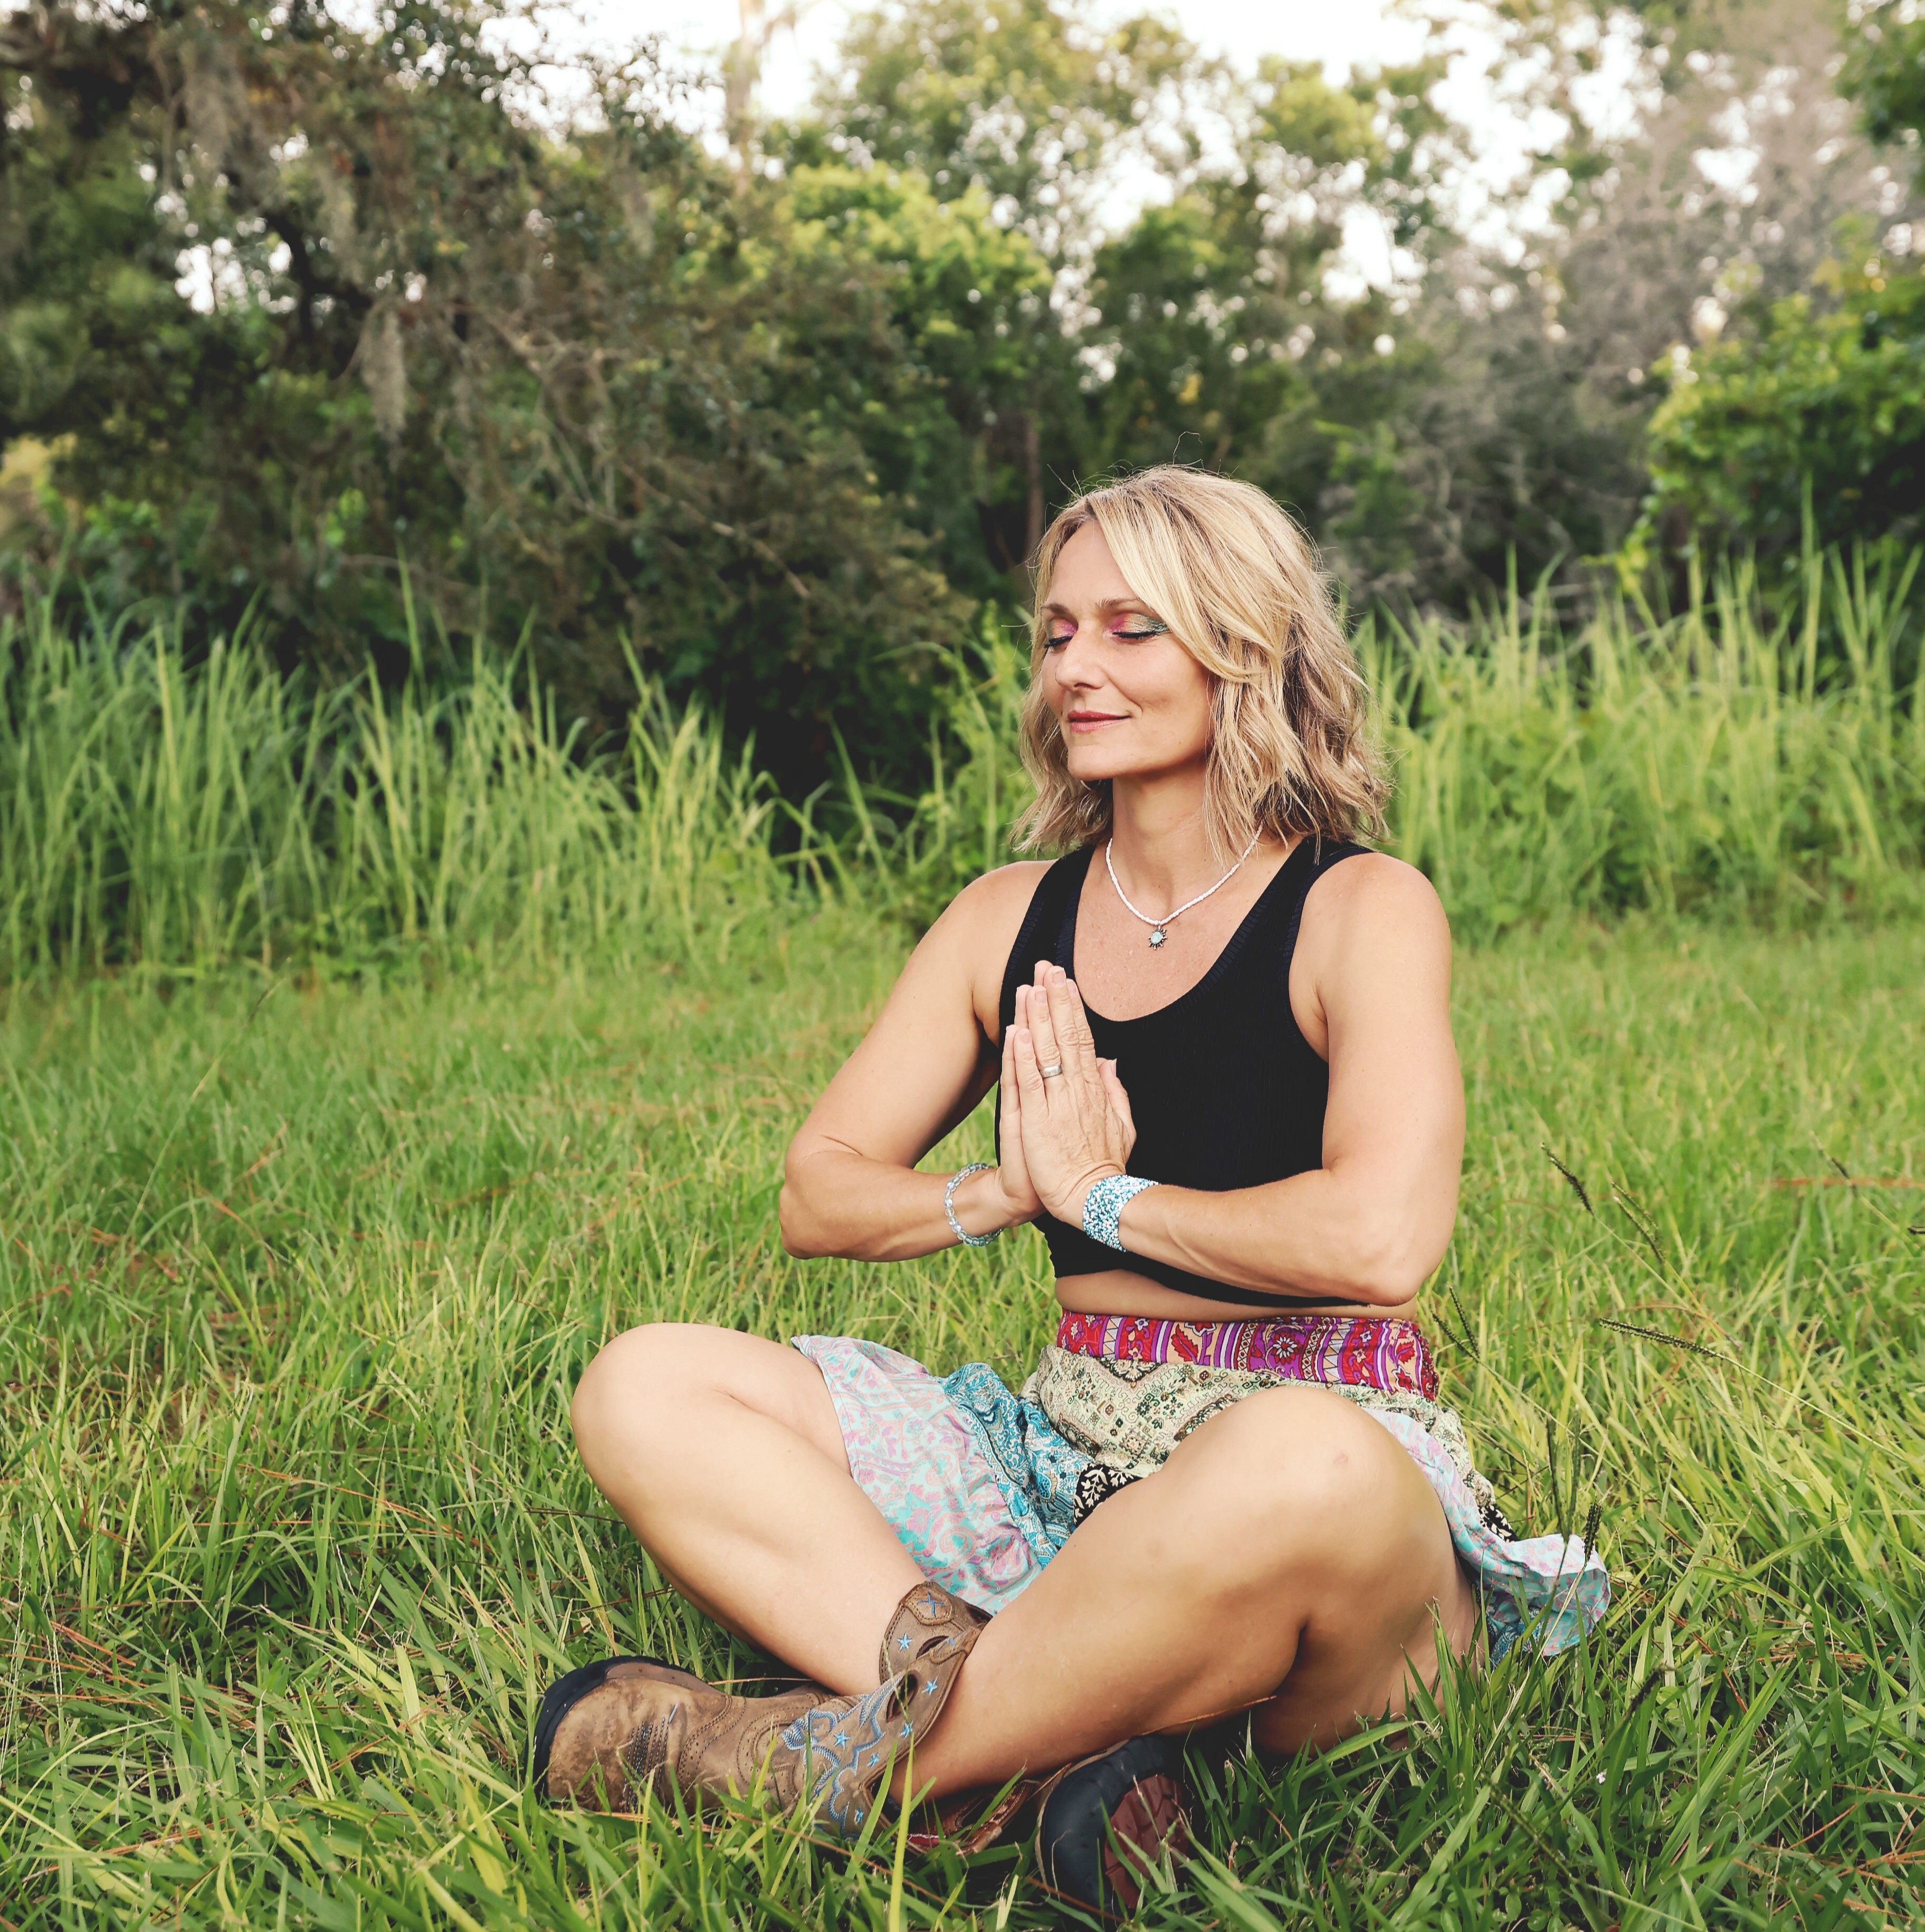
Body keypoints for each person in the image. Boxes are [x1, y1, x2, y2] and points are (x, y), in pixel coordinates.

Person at [533, 467, 1608, 1911]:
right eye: (1055, 634)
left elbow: (1382, 1238)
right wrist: (1004, 1191)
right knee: (646, 1384)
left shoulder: (1360, 907)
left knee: (1301, 1458)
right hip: (1062, 1462)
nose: (1074, 671)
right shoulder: (1006, 917)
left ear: (1242, 644)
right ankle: (1048, 1769)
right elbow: (821, 1191)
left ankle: (798, 1761)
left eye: (1128, 630)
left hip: (1318, 1479)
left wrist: (1102, 1199)